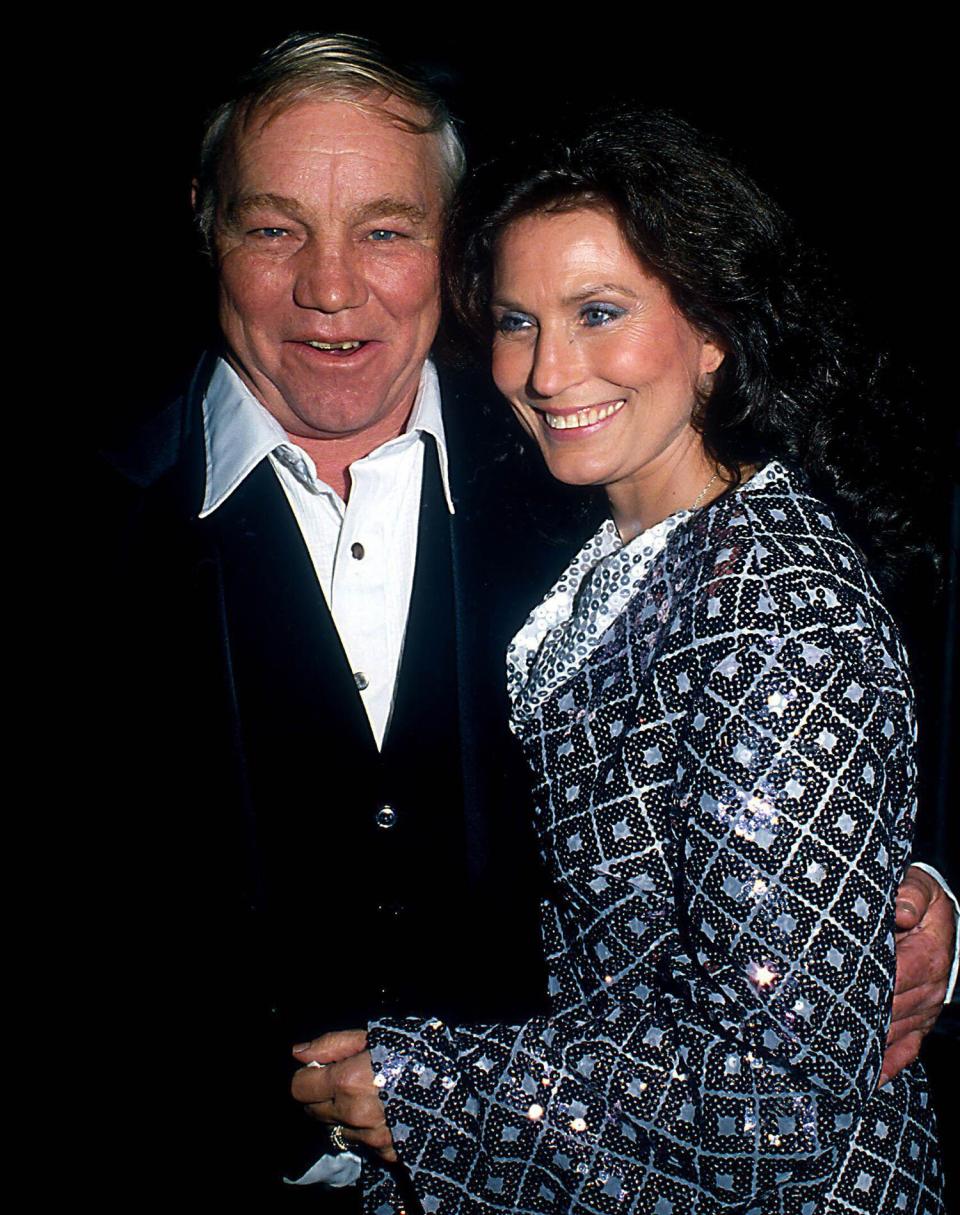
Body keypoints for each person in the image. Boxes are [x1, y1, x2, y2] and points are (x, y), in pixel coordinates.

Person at [91, 37, 953, 1207]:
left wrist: (912, 908)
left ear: (451, 244)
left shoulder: (584, 472)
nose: (331, 287)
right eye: (275, 227)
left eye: (388, 230)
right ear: (206, 224)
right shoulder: (84, 522)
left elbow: (820, 726)